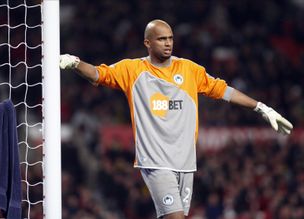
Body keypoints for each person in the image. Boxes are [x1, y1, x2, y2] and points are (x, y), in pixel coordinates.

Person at [59, 19, 293, 219]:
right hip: (156, 162)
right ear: (147, 43)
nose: (168, 42)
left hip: (186, 164)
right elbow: (99, 74)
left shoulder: (190, 70)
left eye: (170, 37)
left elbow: (225, 92)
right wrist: (76, 63)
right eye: (161, 39)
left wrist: (261, 107)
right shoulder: (132, 70)